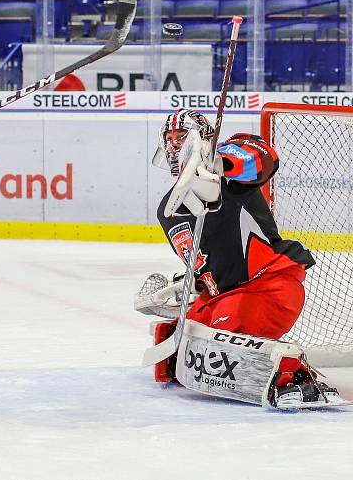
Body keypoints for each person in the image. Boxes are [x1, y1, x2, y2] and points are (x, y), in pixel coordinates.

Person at [135, 108, 343, 409]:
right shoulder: (169, 207)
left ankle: (293, 374)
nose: (174, 145)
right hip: (222, 296)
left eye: (182, 137)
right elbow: (207, 263)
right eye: (169, 139)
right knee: (181, 337)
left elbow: (264, 158)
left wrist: (218, 164)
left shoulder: (230, 176)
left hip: (267, 288)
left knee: (215, 341)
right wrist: (183, 286)